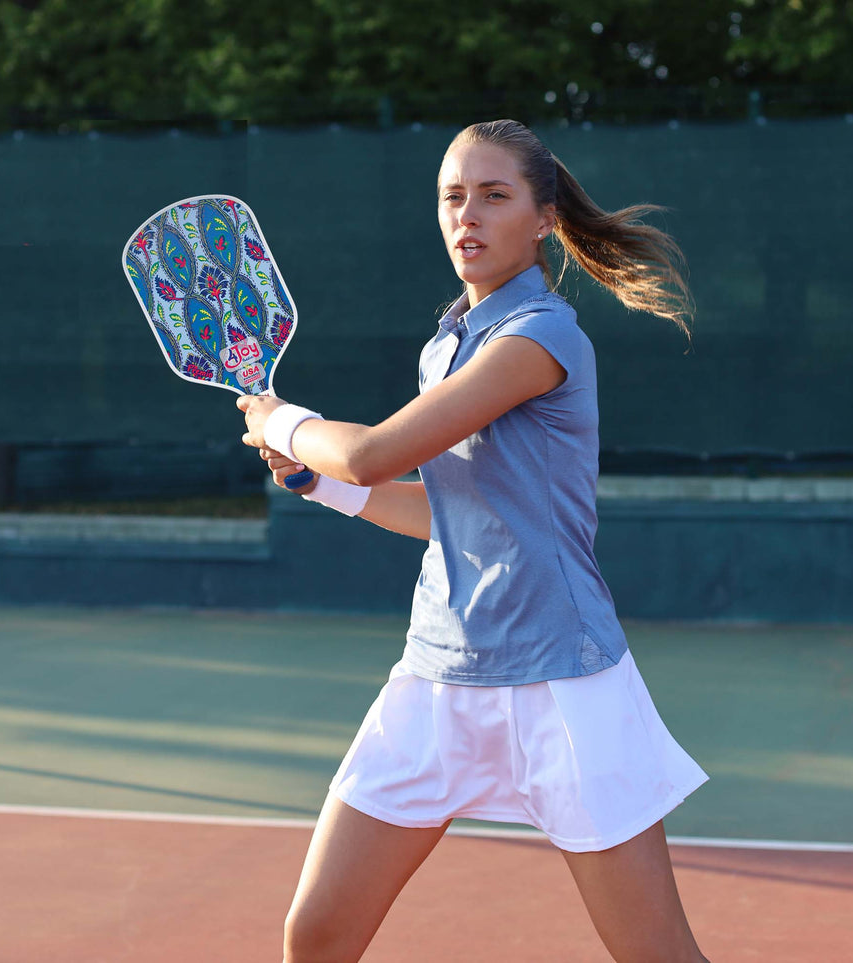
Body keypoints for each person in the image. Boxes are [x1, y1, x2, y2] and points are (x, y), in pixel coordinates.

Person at [238, 118, 711, 963]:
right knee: (315, 934)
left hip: (561, 685)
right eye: (453, 197)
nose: (468, 215)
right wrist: (319, 482)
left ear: (542, 218)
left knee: (656, 953)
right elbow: (450, 513)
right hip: (433, 682)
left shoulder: (540, 338)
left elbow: (376, 449)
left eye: (494, 196)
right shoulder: (447, 342)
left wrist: (286, 420)